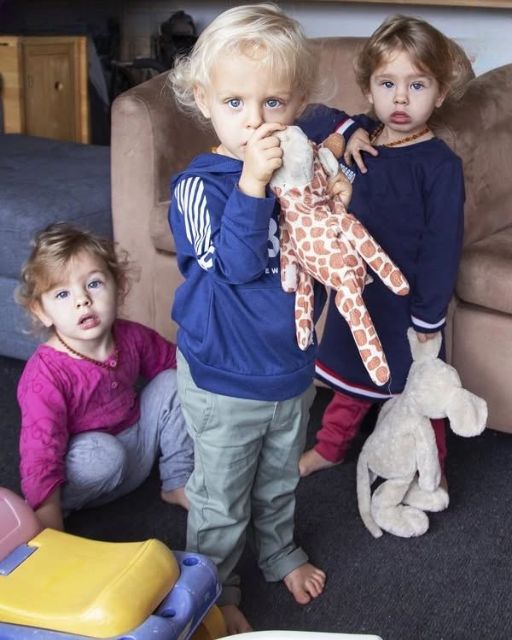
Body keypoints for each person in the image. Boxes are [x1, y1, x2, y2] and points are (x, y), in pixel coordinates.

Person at [166, 3, 356, 633]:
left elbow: (326, 249)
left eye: (273, 103)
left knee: (278, 479)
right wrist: (251, 185)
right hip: (224, 376)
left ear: (296, 104)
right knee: (220, 497)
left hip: (290, 367)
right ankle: (214, 589)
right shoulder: (198, 188)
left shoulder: (300, 166)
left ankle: (277, 551)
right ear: (204, 100)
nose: (255, 121)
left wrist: (338, 197)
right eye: (235, 103)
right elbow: (235, 267)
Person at [299, 15, 468, 478]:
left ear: (440, 93)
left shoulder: (440, 165)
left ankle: (431, 468)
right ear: (368, 89)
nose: (400, 98)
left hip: (406, 301)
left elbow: (442, 247)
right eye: (387, 83)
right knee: (352, 377)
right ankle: (331, 447)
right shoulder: (361, 134)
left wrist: (428, 316)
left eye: (417, 85)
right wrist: (345, 128)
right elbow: (304, 117)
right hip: (358, 290)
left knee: (420, 386)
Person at [16, 222, 194, 531]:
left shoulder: (131, 336)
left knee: (175, 378)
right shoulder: (44, 376)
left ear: (118, 286)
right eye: (62, 294)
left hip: (137, 448)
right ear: (41, 311)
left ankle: (177, 480)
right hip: (92, 467)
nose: (82, 300)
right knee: (103, 454)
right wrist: (48, 520)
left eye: (94, 284)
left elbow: (176, 363)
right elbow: (41, 451)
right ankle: (62, 509)